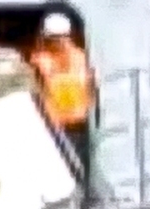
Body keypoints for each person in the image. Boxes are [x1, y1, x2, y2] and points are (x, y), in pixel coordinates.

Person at [22, 9, 99, 166]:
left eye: (60, 37)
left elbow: (93, 89)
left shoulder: (82, 58)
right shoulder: (39, 61)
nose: (56, 41)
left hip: (80, 126)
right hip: (54, 128)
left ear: (68, 35)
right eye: (52, 38)